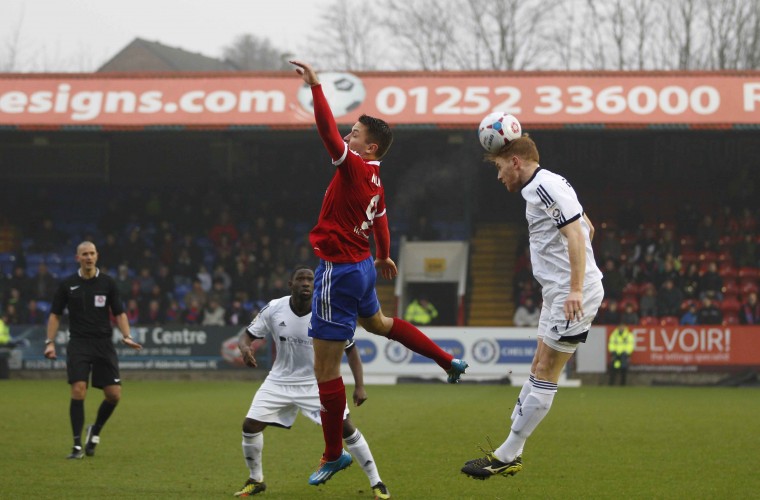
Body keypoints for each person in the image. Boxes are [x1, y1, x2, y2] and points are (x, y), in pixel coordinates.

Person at [289, 60, 468, 486]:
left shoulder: (353, 167)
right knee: (380, 324)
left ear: (369, 149)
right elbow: (383, 221)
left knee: (325, 371)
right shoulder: (374, 178)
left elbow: (326, 133)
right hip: (364, 268)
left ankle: (333, 454)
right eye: (350, 133)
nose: (349, 138)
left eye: (356, 135)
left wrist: (316, 88)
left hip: (338, 271)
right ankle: (447, 361)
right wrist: (384, 255)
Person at [461, 132, 604, 479]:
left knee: (546, 372)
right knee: (538, 364)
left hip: (572, 296)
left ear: (515, 161)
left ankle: (506, 455)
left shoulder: (544, 187)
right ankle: (512, 451)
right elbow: (589, 227)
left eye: (499, 167)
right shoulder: (549, 184)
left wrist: (574, 289)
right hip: (558, 292)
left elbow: (576, 234)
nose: (498, 176)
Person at [233, 267, 390, 499]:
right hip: (279, 381)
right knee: (250, 426)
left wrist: (360, 386)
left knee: (346, 428)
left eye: (310, 279)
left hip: (316, 383)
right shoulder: (275, 308)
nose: (306, 283)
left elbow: (351, 350)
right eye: (301, 279)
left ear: (316, 286)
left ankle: (377, 483)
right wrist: (245, 348)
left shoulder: (327, 312)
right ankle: (256, 480)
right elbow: (246, 335)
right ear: (290, 284)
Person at [44, 241, 142, 459]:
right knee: (78, 389)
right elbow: (55, 314)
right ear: (77, 257)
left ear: (97, 256)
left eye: (91, 253)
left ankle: (95, 430)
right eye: (84, 254)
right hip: (79, 343)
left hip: (103, 344)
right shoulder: (67, 284)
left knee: (114, 395)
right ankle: (77, 446)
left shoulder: (108, 283)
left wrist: (127, 336)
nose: (88, 257)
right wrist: (49, 342)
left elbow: (120, 313)